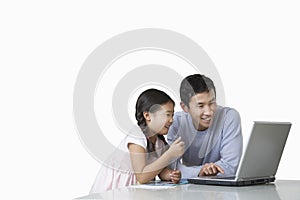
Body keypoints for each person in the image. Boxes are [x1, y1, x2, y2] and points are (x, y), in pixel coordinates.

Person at [89, 89, 185, 193]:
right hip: (116, 188)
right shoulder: (137, 137)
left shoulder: (159, 142)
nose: (171, 120)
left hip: (136, 190)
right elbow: (142, 176)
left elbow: (159, 170)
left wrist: (170, 175)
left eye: (172, 115)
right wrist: (170, 154)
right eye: (167, 114)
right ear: (147, 116)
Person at [167, 74, 243, 179]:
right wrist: (200, 172)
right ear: (185, 107)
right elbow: (171, 167)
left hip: (222, 190)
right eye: (200, 106)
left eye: (212, 103)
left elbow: (230, 167)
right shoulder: (177, 123)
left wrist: (191, 172)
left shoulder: (229, 117)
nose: (208, 112)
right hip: (189, 189)